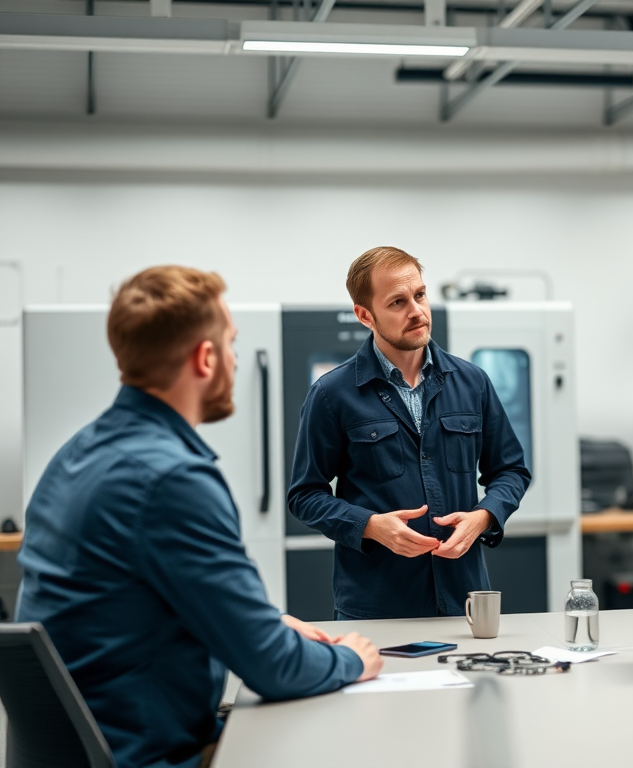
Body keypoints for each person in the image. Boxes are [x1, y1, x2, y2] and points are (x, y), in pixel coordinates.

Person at [16, 266, 383, 768]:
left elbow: (129, 606)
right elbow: (273, 668)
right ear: (206, 358)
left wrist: (266, 623)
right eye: (231, 344)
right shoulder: (172, 479)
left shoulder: (75, 456)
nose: (234, 358)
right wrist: (351, 658)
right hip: (148, 756)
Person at [288, 246, 531, 620]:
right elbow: (305, 495)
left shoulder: (472, 382)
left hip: (463, 599)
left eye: (419, 295)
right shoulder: (332, 394)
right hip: (375, 606)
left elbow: (511, 471)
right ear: (365, 315)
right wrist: (370, 526)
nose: (416, 311)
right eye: (398, 302)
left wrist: (483, 517)